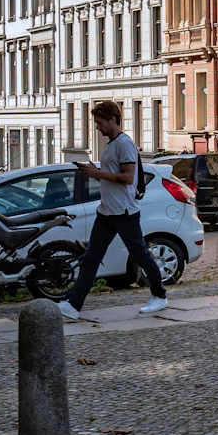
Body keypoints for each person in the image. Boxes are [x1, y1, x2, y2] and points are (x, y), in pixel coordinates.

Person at [59, 100, 168, 320]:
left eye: (100, 123)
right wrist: (95, 170)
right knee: (91, 258)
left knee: (141, 256)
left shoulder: (124, 144)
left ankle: (160, 296)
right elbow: (114, 173)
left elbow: (128, 178)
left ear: (112, 120)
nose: (97, 127)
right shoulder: (110, 144)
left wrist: (97, 174)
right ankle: (74, 304)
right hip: (107, 212)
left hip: (124, 213)